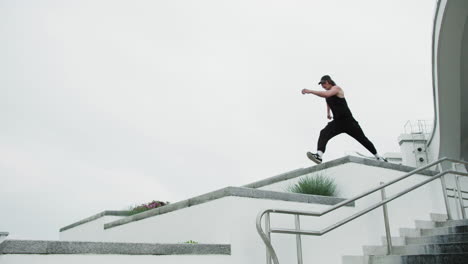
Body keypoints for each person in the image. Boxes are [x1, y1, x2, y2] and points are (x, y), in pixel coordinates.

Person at [301, 75, 387, 164]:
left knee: (363, 139)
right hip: (337, 122)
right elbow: (328, 100)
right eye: (321, 85)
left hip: (348, 121)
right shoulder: (328, 94)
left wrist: (310, 91)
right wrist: (328, 113)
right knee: (324, 132)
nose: (323, 86)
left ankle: (378, 157)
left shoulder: (336, 88)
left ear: (328, 82)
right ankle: (319, 156)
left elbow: (326, 95)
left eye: (324, 84)